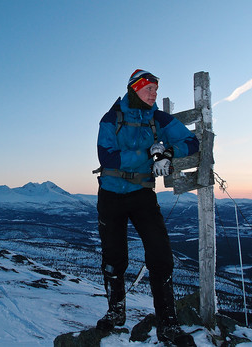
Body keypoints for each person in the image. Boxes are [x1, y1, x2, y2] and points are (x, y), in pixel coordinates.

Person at [94, 69, 199, 345]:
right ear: (134, 89)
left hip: (142, 194)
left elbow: (191, 141)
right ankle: (116, 313)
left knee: (161, 254)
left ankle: (168, 323)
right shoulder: (111, 117)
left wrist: (167, 152)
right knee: (113, 257)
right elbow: (108, 157)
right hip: (111, 193)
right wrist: (148, 154)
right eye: (148, 89)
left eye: (155, 88)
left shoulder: (158, 118)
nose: (154, 93)